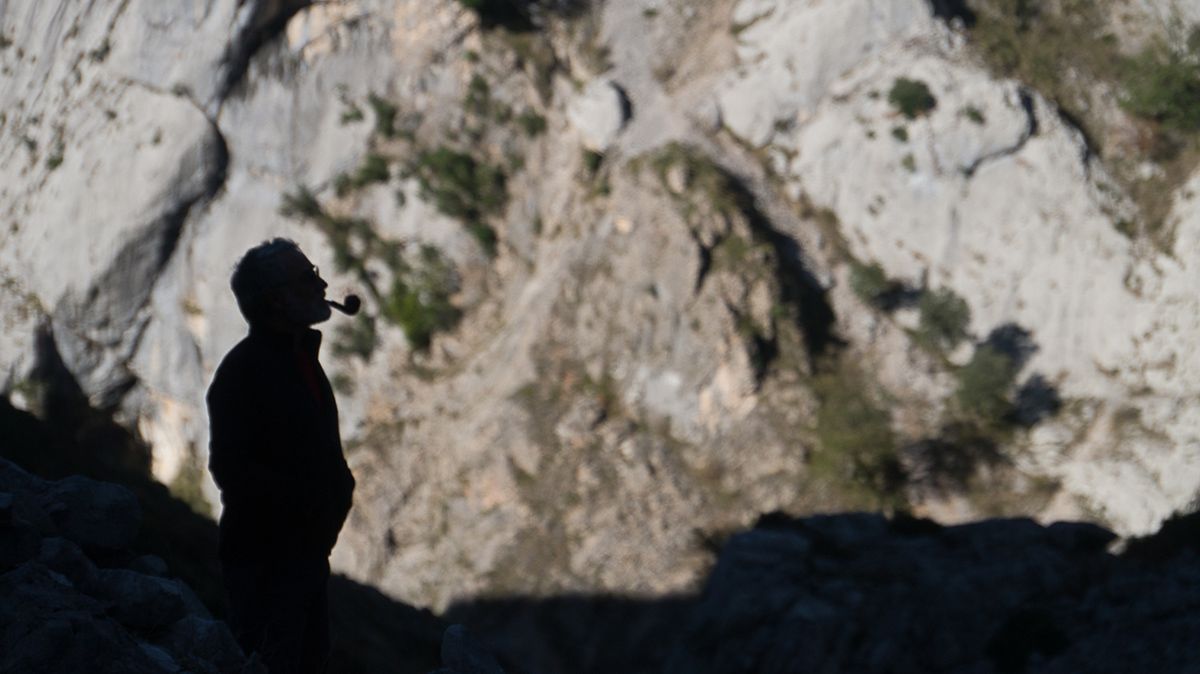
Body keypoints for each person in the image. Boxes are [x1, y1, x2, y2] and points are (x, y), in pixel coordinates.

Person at [207, 238, 356, 673]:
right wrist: (302, 509)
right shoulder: (244, 373)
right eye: (307, 278)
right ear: (278, 300)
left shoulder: (299, 360)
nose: (321, 284)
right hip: (268, 564)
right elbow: (230, 469)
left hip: (303, 556)